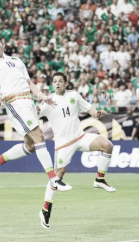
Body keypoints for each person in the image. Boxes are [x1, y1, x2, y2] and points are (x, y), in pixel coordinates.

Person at [0, 34, 71, 191]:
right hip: (14, 102)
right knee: (39, 137)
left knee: (30, 146)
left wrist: (42, 96)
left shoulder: (17, 61)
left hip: (29, 102)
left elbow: (29, 83)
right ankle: (54, 180)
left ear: (2, 44)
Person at [36, 72, 115, 229]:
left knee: (108, 146)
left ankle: (99, 180)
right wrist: (32, 107)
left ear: (66, 83)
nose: (57, 83)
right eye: (55, 81)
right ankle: (45, 210)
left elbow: (89, 108)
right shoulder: (48, 101)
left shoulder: (74, 95)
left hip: (80, 136)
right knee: (57, 177)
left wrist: (96, 113)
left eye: (60, 81)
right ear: (52, 84)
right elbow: (36, 110)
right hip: (63, 144)